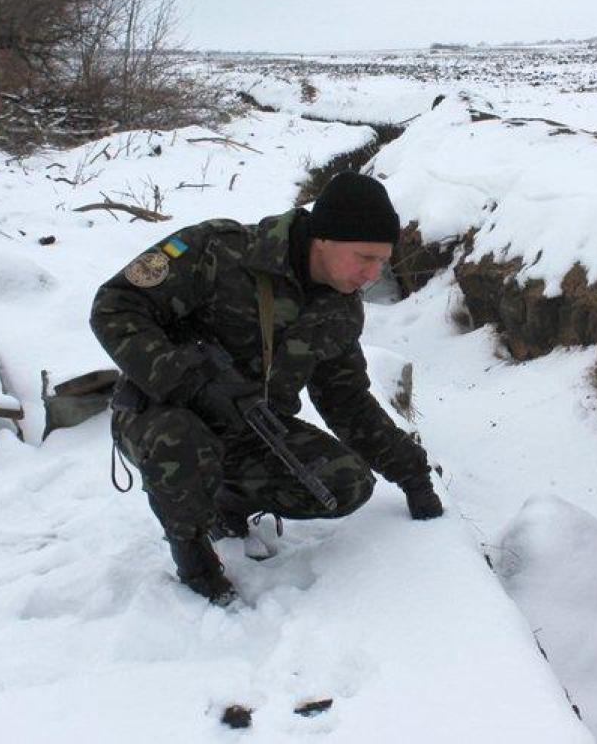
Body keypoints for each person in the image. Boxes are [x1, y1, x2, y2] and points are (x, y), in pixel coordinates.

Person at [90, 171, 444, 605]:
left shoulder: (339, 308)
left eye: (381, 263)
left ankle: (223, 500)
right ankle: (192, 551)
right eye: (363, 258)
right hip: (158, 414)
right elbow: (115, 306)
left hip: (248, 428)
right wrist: (190, 380)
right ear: (324, 239)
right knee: (179, 439)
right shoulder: (218, 252)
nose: (372, 275)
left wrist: (412, 473)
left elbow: (347, 400)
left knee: (345, 485)